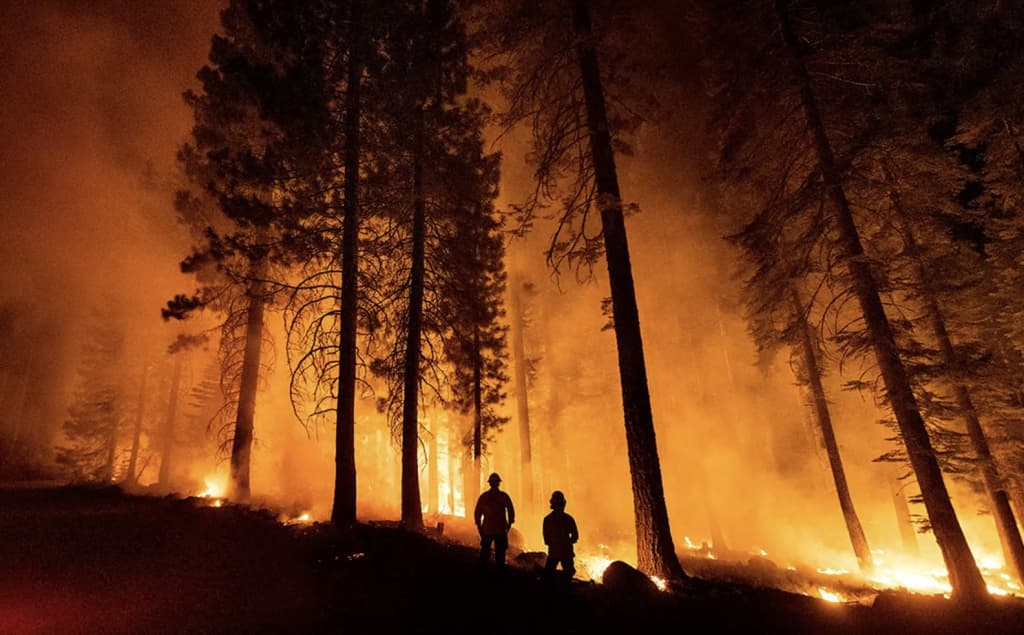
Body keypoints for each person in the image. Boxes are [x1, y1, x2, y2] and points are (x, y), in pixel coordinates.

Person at [474, 472, 515, 572]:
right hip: (500, 530)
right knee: (499, 556)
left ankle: (483, 573)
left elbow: (477, 513)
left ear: (490, 483)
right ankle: (498, 575)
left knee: (485, 554)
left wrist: (480, 527)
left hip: (488, 530)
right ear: (498, 483)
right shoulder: (503, 496)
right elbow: (511, 511)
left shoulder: (484, 496)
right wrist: (509, 525)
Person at [543, 490, 578, 583]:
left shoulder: (547, 519)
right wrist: (567, 542)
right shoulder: (568, 519)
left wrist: (554, 543)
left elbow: (546, 539)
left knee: (548, 574)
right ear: (563, 504)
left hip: (554, 551)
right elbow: (575, 536)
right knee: (568, 573)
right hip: (566, 551)